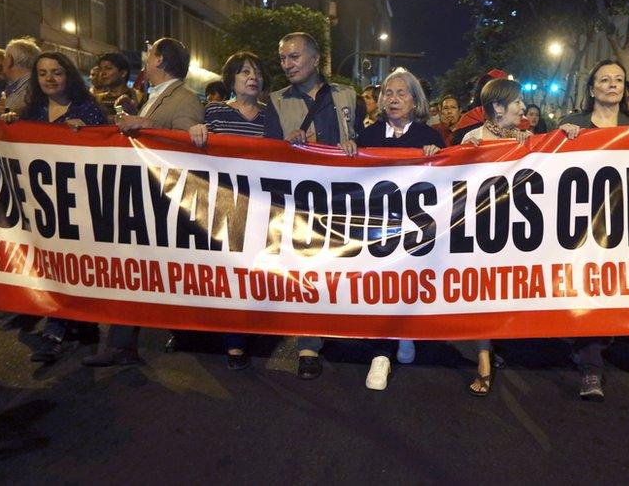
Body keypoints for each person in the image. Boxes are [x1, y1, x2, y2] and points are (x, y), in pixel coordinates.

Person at [83, 37, 204, 368]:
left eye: (149, 56)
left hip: (159, 202)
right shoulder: (155, 97)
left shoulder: (184, 98)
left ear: (161, 60)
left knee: (140, 273)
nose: (145, 61)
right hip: (142, 198)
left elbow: (187, 145)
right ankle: (123, 344)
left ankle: (177, 333)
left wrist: (146, 124)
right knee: (132, 273)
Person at [556, 60, 629, 402]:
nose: (612, 85)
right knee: (589, 289)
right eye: (605, 79)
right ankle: (591, 368)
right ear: (591, 89)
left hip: (623, 226)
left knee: (610, 290)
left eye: (618, 79)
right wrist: (564, 135)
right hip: (582, 226)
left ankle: (589, 344)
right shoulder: (574, 125)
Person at [0, 51, 107, 361]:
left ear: (68, 76)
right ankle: (64, 321)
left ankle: (61, 326)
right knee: (49, 265)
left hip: (77, 204)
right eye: (43, 73)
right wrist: (8, 121)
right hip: (41, 205)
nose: (49, 78)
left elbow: (104, 152)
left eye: (56, 72)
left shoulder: (87, 110)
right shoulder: (31, 111)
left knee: (71, 264)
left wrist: (85, 131)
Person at [266, 32, 363, 380]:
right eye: (282, 59)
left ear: (314, 59)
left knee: (340, 267)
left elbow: (365, 141)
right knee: (307, 269)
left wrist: (354, 142)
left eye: (293, 57)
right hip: (299, 205)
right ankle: (308, 344)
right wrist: (284, 145)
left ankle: (342, 325)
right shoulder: (275, 101)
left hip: (343, 201)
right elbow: (265, 155)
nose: (287, 65)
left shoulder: (347, 95)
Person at [187, 52, 282, 369]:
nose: (252, 78)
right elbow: (200, 152)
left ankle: (253, 325)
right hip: (225, 205)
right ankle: (234, 339)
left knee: (256, 269)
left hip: (262, 205)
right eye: (244, 72)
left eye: (256, 73)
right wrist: (196, 132)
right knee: (231, 271)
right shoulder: (214, 112)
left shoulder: (272, 116)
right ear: (231, 80)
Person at [354, 68, 442, 390]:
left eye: (401, 93)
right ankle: (380, 354)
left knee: (409, 283)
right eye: (388, 94)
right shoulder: (367, 137)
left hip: (417, 230)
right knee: (381, 286)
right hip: (378, 229)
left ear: (415, 100)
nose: (393, 99)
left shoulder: (430, 139)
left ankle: (405, 331)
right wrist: (349, 153)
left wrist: (438, 157)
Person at [461, 78, 532, 396]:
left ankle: (494, 343)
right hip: (481, 231)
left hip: (515, 230)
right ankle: (484, 360)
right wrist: (465, 155)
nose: (522, 106)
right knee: (481, 292)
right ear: (498, 107)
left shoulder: (526, 138)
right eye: (516, 101)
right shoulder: (472, 138)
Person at [114, 37, 204, 133]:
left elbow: (185, 142)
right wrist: (131, 117)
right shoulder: (156, 95)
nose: (146, 60)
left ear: (159, 60)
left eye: (150, 53)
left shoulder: (187, 99)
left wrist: (147, 124)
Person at [92, 52, 140, 119]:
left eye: (108, 68)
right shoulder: (97, 100)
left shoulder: (139, 97)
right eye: (100, 69)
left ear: (123, 73)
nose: (103, 73)